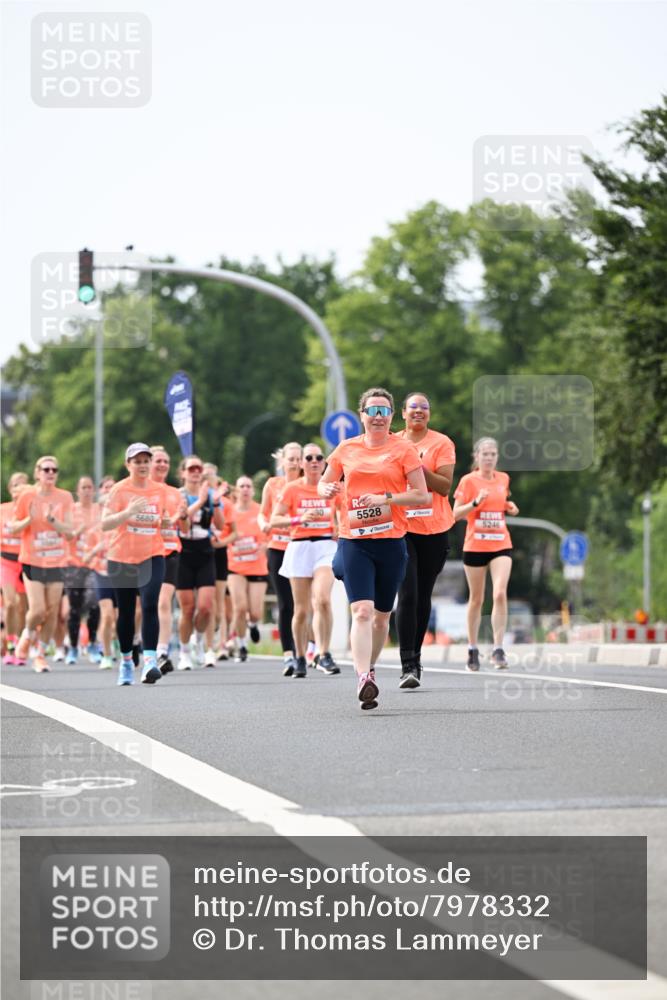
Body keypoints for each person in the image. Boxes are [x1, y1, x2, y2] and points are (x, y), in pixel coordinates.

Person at [319, 388, 428, 710]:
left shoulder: (404, 449)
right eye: (372, 411)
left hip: (391, 541)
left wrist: (387, 499)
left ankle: (371, 665)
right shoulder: (345, 449)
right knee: (362, 611)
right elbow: (325, 484)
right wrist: (326, 488)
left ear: (392, 416)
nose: (378, 417)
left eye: (384, 411)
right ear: (362, 415)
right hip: (354, 540)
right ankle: (364, 677)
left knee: (382, 618)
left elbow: (421, 495)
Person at [395, 392, 456, 689]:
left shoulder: (441, 443)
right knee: (406, 593)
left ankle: (416, 658)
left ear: (428, 414)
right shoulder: (391, 443)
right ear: (403, 413)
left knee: (422, 595)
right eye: (413, 407)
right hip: (401, 527)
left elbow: (444, 487)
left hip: (434, 529)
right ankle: (407, 664)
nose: (418, 411)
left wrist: (417, 469)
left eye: (424, 407)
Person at [101, 443, 170, 686]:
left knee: (151, 603)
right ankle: (127, 661)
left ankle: (150, 661)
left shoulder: (160, 490)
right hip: (121, 557)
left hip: (152, 554)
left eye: (145, 460)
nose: (142, 465)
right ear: (128, 464)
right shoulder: (120, 490)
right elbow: (105, 524)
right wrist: (127, 513)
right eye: (137, 461)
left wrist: (167, 522)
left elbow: (161, 520)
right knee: (127, 613)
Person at [271, 443, 341, 678]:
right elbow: (274, 519)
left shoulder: (333, 489)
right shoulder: (291, 489)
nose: (313, 461)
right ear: (301, 463)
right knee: (300, 610)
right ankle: (300, 656)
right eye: (308, 457)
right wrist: (299, 518)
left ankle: (323, 653)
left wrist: (340, 527)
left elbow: (344, 514)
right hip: (299, 546)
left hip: (325, 546)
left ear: (324, 463)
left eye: (318, 457)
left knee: (322, 599)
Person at [452, 436, 519, 671]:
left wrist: (509, 507)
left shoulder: (503, 479)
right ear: (477, 457)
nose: (489, 458)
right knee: (477, 599)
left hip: (501, 543)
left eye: (493, 454)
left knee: (500, 593)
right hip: (475, 546)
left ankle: (498, 648)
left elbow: (503, 502)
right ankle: (472, 648)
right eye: (485, 454)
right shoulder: (468, 481)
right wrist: (475, 503)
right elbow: (455, 514)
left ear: (497, 457)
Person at [13, 457, 74, 672]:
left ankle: (40, 655)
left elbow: (71, 532)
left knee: (52, 610)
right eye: (46, 469)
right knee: (38, 610)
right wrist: (29, 520)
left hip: (56, 560)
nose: (50, 473)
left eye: (54, 469)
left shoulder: (65, 497)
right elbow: (13, 529)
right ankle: (27, 635)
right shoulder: (27, 496)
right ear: (37, 472)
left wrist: (53, 521)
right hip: (32, 559)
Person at [175, 455, 225, 670]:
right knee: (187, 608)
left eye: (198, 468)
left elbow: (221, 525)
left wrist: (213, 503)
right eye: (191, 468)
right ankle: (184, 652)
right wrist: (200, 503)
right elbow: (183, 526)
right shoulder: (178, 496)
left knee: (205, 607)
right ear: (183, 473)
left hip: (204, 550)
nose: (195, 472)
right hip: (184, 551)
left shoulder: (211, 495)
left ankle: (197, 637)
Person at [259, 442, 302, 675]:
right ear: (282, 461)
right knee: (286, 603)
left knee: (305, 603)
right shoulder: (272, 485)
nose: (295, 463)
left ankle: (309, 649)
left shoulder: (308, 485)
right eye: (291, 458)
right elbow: (263, 513)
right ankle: (288, 655)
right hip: (277, 548)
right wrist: (264, 524)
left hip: (301, 546)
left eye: (299, 458)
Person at [150, 447, 188, 675]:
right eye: (158, 461)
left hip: (171, 551)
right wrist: (173, 518)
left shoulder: (175, 493)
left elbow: (184, 528)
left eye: (165, 461)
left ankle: (162, 651)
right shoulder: (143, 491)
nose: (162, 465)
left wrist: (183, 517)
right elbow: (156, 523)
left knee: (164, 602)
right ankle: (138, 643)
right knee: (142, 607)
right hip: (146, 552)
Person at [227, 476, 268, 662]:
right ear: (236, 490)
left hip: (257, 566)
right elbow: (222, 533)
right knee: (240, 607)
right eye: (241, 486)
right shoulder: (230, 512)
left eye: (248, 486)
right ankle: (242, 645)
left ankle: (253, 624)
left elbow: (269, 532)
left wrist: (264, 545)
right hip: (235, 566)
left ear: (252, 491)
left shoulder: (259, 510)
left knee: (255, 612)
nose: (245, 489)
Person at [64, 476, 102, 665]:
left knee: (95, 603)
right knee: (74, 608)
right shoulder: (70, 511)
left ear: (93, 491)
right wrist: (76, 531)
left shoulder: (99, 511)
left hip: (94, 564)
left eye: (89, 487)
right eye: (83, 487)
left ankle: (93, 643)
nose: (87, 491)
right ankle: (72, 647)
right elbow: (63, 534)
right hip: (73, 564)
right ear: (78, 491)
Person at [1, 472, 29, 664]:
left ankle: (18, 644)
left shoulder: (31, 511)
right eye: (16, 485)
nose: (19, 489)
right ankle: (10, 645)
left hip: (26, 561)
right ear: (10, 489)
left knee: (22, 608)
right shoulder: (3, 509)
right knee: (10, 603)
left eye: (24, 485)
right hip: (6, 561)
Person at [209, 479, 236, 660]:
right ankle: (206, 643)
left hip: (219, 554)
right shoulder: (195, 499)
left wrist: (221, 543)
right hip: (198, 552)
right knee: (203, 603)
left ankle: (221, 645)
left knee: (219, 602)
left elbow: (234, 532)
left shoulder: (225, 504)